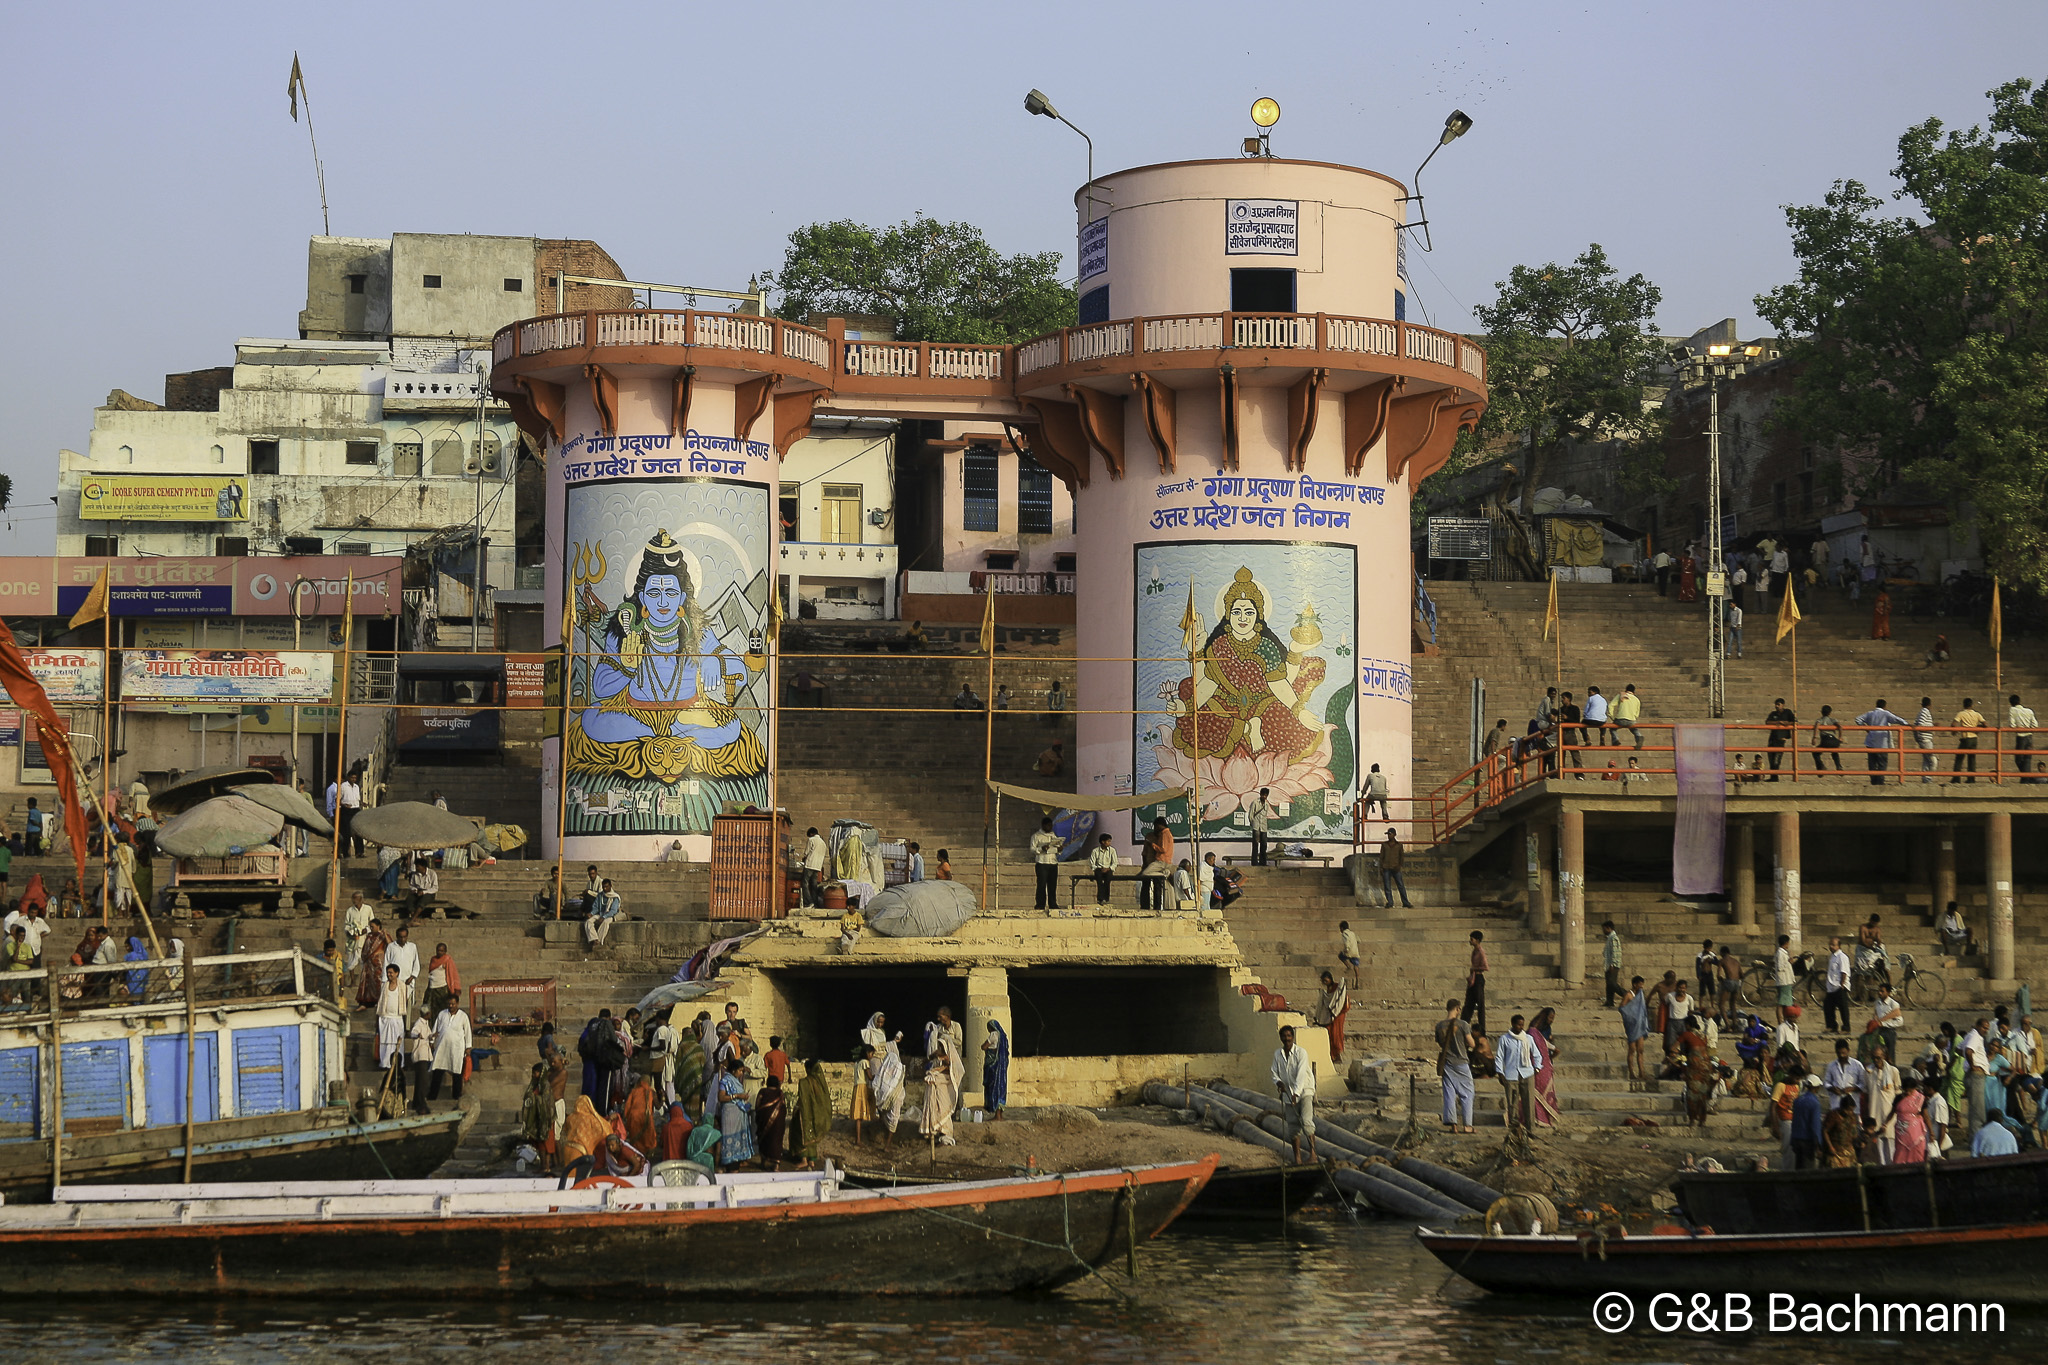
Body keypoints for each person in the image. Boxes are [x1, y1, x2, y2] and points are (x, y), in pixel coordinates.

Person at [1271, 1024, 1317, 1162]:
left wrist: (1296, 1094)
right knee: (1292, 1125)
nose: (1287, 1039)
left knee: (1306, 1121)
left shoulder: (1301, 1053)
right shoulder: (1277, 1054)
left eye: (1289, 1036)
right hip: (1288, 1093)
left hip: (1304, 1091)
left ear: (1293, 1037)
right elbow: (1274, 1073)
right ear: (1281, 1038)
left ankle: (1313, 1155)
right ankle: (1297, 1158)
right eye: (1284, 1036)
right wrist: (1279, 1083)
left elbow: (1301, 1075)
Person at [1495, 1014, 1542, 1136]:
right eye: (1518, 1024)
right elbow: (1499, 1057)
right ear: (1512, 1024)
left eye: (1522, 1025)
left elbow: (1537, 1055)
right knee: (1512, 1103)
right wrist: (1500, 1073)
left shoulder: (1528, 1039)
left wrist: (1536, 1069)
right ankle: (1514, 1129)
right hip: (1511, 1075)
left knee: (1529, 1102)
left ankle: (1530, 1129)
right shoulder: (1504, 1039)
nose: (1520, 1027)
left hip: (1527, 1074)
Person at [1435, 998, 1475, 1133]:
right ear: (1458, 1009)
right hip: (1461, 1063)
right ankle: (1468, 1126)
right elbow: (1472, 1044)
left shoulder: (1439, 1026)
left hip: (1446, 1063)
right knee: (1467, 1093)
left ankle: (1453, 1125)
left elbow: (1440, 1044)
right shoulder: (1463, 1025)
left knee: (1449, 1094)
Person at [920, 1030, 958, 1146]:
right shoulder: (937, 1055)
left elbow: (951, 1070)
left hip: (944, 1085)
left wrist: (938, 1071)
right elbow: (925, 1061)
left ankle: (945, 1134)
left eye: (942, 1045)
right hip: (935, 1084)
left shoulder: (949, 1057)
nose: (940, 1047)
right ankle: (933, 1131)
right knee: (933, 1107)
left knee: (943, 1108)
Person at [1855, 700, 1905, 785]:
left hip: (1871, 742)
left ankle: (1873, 781)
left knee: (1872, 763)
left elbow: (1858, 719)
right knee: (1882, 763)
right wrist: (1907, 724)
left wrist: (1866, 728)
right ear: (1884, 706)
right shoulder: (1886, 714)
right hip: (1882, 743)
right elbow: (1897, 719)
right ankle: (1880, 782)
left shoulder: (1870, 713)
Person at [795, 1059, 833, 1165]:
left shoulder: (804, 1082)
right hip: (817, 1114)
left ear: (808, 1069)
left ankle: (804, 1160)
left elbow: (802, 1099)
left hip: (805, 1113)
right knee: (813, 1134)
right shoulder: (821, 1084)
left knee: (801, 1133)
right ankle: (812, 1160)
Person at [1308, 969, 1349, 1063]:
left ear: (1330, 979)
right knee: (1329, 1034)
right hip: (1329, 1016)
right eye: (1324, 981)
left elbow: (1342, 1000)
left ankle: (1338, 1056)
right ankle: (1332, 1056)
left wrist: (1335, 1012)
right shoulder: (1327, 990)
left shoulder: (1337, 988)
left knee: (1336, 1035)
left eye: (1326, 981)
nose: (1325, 983)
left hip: (1338, 1016)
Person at [1789, 1075, 1826, 1169]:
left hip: (1796, 1139)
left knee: (1798, 1167)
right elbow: (1815, 1126)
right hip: (1807, 1142)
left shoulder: (1798, 1100)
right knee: (1808, 1169)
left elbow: (1794, 1121)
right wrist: (1818, 1145)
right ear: (1816, 1087)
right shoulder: (1814, 1103)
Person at [385, 925, 422, 1017]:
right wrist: (387, 979)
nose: (402, 939)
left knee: (407, 1006)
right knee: (396, 1005)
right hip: (395, 981)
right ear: (397, 936)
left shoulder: (412, 947)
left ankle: (407, 1028)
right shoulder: (391, 947)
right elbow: (386, 963)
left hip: (408, 981)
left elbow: (416, 963)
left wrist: (412, 976)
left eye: (404, 937)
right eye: (400, 937)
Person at [1618, 976, 1650, 1081]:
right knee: (1632, 1049)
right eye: (1640, 984)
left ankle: (1642, 1072)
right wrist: (1631, 1015)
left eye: (1642, 984)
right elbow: (1622, 1008)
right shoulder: (1628, 995)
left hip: (1640, 1026)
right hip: (1631, 1026)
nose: (1641, 986)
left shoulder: (1641, 995)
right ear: (1634, 984)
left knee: (1640, 1050)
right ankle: (1631, 1073)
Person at [753, 1074, 788, 1169]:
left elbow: (757, 1105)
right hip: (778, 1122)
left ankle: (763, 1162)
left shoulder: (763, 1091)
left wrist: (759, 1115)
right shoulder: (780, 1093)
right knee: (776, 1140)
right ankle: (776, 1165)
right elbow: (784, 1107)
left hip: (764, 1120)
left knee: (764, 1139)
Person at [1139, 817, 1173, 912]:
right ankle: (1144, 906)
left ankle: (1157, 907)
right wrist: (1145, 863)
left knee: (1158, 886)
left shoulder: (1163, 835)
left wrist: (1153, 845)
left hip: (1159, 863)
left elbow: (1163, 849)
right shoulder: (1150, 836)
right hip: (1150, 863)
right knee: (1145, 884)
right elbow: (1144, 852)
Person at [1950, 697, 1986, 783]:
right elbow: (1985, 724)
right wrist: (1977, 728)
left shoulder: (1961, 714)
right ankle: (1971, 779)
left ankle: (1956, 778)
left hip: (1965, 738)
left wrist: (1954, 731)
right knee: (1972, 759)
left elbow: (1954, 724)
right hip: (1974, 738)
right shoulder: (1977, 714)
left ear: (1964, 705)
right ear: (1972, 705)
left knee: (1959, 758)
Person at [1822, 936, 1852, 1034]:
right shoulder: (1832, 957)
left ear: (1838, 946)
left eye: (1833, 945)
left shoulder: (1842, 957)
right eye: (1830, 944)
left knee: (1843, 1008)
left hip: (1839, 986)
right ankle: (1831, 1026)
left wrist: (1842, 984)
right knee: (1828, 1006)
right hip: (1831, 987)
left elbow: (1844, 972)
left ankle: (1846, 1028)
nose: (1831, 946)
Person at [1030, 818, 1062, 911]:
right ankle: (1040, 904)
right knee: (1041, 885)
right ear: (1043, 825)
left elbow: (1055, 847)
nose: (1049, 827)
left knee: (1052, 885)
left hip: (1053, 862)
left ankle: (1053, 904)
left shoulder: (1053, 835)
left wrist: (1059, 850)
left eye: (1051, 825)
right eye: (1048, 825)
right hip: (1042, 862)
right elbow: (1032, 849)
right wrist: (1041, 848)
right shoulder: (1036, 836)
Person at [982, 1019, 1010, 1119]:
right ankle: (1000, 1115)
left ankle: (997, 1116)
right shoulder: (1004, 1037)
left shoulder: (994, 1034)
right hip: (1002, 1067)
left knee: (994, 1087)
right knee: (1001, 1088)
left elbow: (984, 1046)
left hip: (994, 1066)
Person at [1378, 828, 1411, 909]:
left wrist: (1399, 866)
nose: (1389, 836)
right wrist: (1381, 867)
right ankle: (1390, 902)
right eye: (1388, 834)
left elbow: (1401, 857)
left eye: (1390, 834)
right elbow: (1381, 857)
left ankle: (1405, 902)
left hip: (1396, 868)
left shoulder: (1399, 845)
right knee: (1387, 886)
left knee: (1401, 886)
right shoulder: (1384, 845)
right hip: (1386, 868)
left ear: (1394, 834)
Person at [425, 942, 460, 1019]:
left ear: (445, 952)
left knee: (443, 1009)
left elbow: (452, 974)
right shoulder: (433, 959)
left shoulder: (447, 960)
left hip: (442, 987)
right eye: (438, 950)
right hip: (432, 988)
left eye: (442, 951)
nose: (439, 952)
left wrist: (454, 988)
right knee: (431, 1009)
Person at [1462, 931, 1488, 1036]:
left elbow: (1486, 967)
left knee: (1480, 1005)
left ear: (1477, 940)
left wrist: (1474, 968)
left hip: (1478, 978)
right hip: (1473, 979)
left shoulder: (1481, 952)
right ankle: (1463, 1024)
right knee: (1469, 1003)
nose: (1470, 941)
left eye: (1472, 939)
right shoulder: (1475, 951)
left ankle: (1482, 1030)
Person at [583, 879, 623, 947]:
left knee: (605, 923)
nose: (605, 888)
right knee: (588, 922)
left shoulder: (615, 897)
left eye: (606, 887)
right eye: (603, 887)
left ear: (610, 886)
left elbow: (613, 911)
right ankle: (594, 938)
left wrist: (604, 917)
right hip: (600, 914)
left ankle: (599, 940)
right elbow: (596, 907)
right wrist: (592, 913)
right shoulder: (600, 895)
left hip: (609, 916)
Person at [1871, 984, 1904, 1060]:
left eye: (1882, 991)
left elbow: (1900, 1021)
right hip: (1879, 1031)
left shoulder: (1894, 1004)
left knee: (1890, 1054)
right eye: (1879, 991)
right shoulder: (1877, 1002)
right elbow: (1876, 1015)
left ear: (1888, 993)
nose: (1879, 993)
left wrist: (1883, 1023)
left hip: (1889, 1032)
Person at [2011, 693, 2039, 782]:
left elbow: (2012, 725)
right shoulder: (2029, 711)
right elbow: (2035, 725)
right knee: (2027, 758)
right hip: (2029, 736)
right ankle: (2026, 777)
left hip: (2020, 737)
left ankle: (2025, 777)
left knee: (2018, 759)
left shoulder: (2013, 710)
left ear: (2011, 703)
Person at [1764, 699, 1795, 777]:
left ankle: (1775, 776)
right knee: (1771, 757)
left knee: (1777, 759)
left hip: (1781, 739)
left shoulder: (1788, 712)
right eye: (1776, 704)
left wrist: (1787, 723)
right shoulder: (1773, 714)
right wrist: (1778, 722)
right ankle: (1772, 777)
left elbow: (1794, 721)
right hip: (1772, 738)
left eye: (1778, 704)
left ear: (1783, 705)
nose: (1776, 706)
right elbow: (1767, 722)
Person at [800, 827, 828, 908]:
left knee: (805, 883)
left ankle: (808, 902)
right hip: (817, 867)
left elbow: (806, 852)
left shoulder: (811, 840)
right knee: (814, 885)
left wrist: (804, 858)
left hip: (810, 864)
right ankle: (815, 903)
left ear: (811, 834)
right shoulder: (823, 843)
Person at [1087, 833, 1118, 906]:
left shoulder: (1112, 850)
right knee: (1099, 881)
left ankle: (1106, 899)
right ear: (1103, 842)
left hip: (1108, 869)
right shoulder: (1095, 851)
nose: (1109, 843)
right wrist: (1098, 868)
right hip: (1099, 869)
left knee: (1107, 881)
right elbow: (1092, 863)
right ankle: (1100, 898)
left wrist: (1109, 868)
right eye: (1108, 841)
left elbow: (1115, 862)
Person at [1811, 705, 1844, 771]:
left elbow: (1817, 725)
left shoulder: (1820, 720)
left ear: (1821, 712)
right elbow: (1840, 726)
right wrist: (1840, 737)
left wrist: (1815, 737)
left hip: (1826, 740)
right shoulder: (1833, 720)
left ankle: (1821, 767)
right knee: (1834, 751)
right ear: (1830, 712)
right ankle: (1839, 766)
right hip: (1834, 740)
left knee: (1815, 753)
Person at [1612, 683, 1644, 750]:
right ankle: (1639, 737)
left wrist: (1612, 717)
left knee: (1612, 728)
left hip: (1620, 720)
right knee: (1634, 728)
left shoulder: (1620, 695)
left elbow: (1610, 706)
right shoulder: (1637, 700)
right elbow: (1637, 714)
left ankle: (1616, 740)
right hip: (1631, 720)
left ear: (1626, 690)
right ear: (1634, 692)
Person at [1248, 786, 1274, 865]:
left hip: (1264, 827)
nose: (1264, 797)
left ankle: (1263, 862)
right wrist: (1253, 824)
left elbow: (1265, 816)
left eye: (1265, 795)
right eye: (1263, 795)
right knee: (1255, 845)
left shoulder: (1266, 804)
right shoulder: (1255, 802)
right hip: (1256, 826)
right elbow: (1250, 815)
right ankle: (1254, 862)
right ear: (1260, 794)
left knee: (1264, 845)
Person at [1337, 921, 1361, 991]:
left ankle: (1348, 966)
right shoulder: (1352, 933)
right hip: (1355, 952)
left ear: (1342, 928)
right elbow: (1358, 940)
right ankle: (1357, 982)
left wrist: (1346, 949)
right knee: (1356, 967)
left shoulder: (1345, 934)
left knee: (1340, 956)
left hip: (1349, 952)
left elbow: (1346, 941)